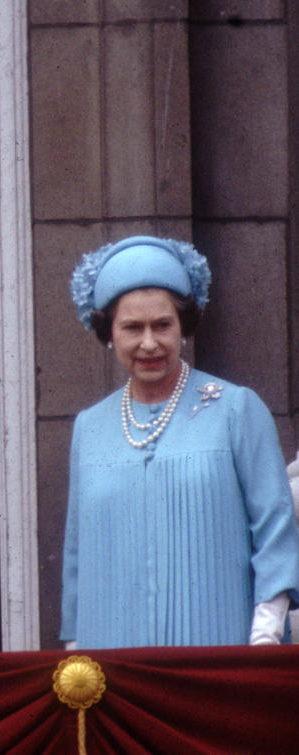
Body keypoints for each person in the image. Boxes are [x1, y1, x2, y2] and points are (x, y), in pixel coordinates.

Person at [62, 235, 299, 648]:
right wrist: (74, 649)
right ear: (108, 333)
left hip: (219, 648)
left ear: (184, 326)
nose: (149, 343)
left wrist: (265, 634)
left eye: (163, 325)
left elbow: (275, 531)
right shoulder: (90, 426)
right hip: (111, 654)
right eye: (132, 328)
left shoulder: (236, 410)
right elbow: (77, 556)